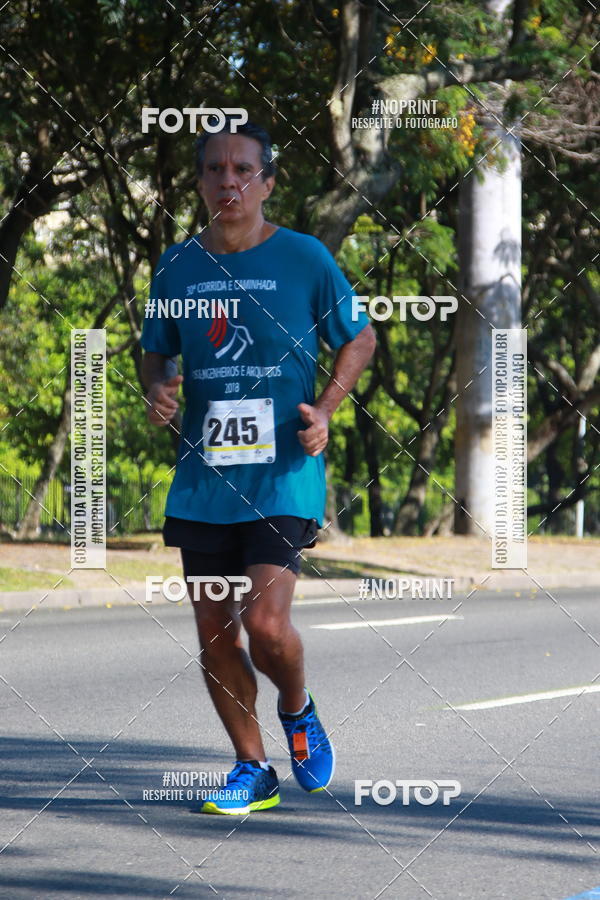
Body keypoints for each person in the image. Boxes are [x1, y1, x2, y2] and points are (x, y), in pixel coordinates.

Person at [141, 117, 375, 815]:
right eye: (215, 169)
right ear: (200, 181)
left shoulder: (305, 259)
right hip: (203, 480)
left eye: (244, 169)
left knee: (267, 628)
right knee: (214, 632)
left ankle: (297, 709)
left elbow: (358, 338)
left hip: (282, 472)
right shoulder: (177, 267)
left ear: (267, 182)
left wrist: (327, 408)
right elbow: (157, 351)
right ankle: (253, 768)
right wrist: (157, 386)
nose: (228, 180)